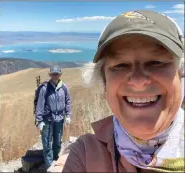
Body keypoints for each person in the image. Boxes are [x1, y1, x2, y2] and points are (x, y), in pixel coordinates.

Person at [62, 10, 184, 172]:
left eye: (156, 62)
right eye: (120, 65)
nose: (138, 81)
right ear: (105, 86)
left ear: (181, 74)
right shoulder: (85, 155)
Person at [35, 66, 71, 169]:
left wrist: (68, 115)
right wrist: (39, 121)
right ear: (50, 75)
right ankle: (49, 165)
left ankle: (55, 159)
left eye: (57, 74)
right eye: (53, 74)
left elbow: (68, 101)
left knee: (58, 141)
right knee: (47, 143)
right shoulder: (44, 88)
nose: (55, 76)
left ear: (60, 75)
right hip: (47, 119)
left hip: (59, 118)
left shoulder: (64, 87)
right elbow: (40, 105)